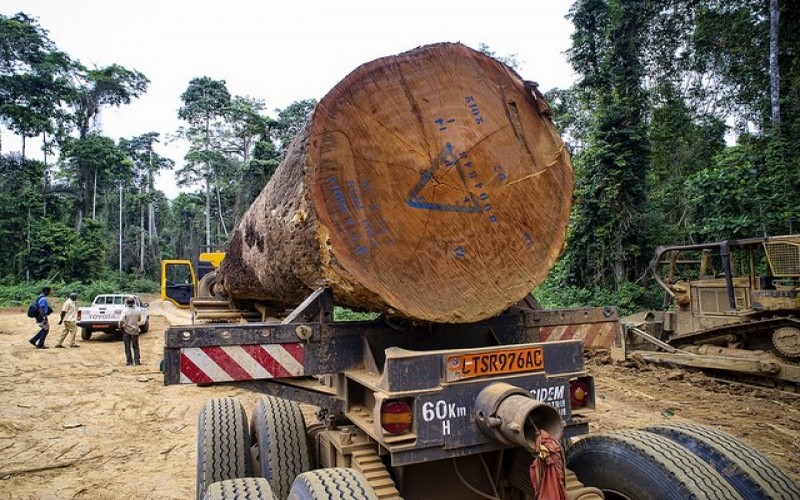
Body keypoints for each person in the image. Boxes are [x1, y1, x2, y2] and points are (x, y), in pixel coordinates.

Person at [119, 297, 141, 366]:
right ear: (134, 302)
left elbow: (121, 320)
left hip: (127, 330)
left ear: (127, 303)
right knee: (136, 347)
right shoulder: (138, 310)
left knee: (127, 347)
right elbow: (139, 319)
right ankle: (137, 361)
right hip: (135, 330)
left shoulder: (125, 311)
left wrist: (121, 326)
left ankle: (129, 362)